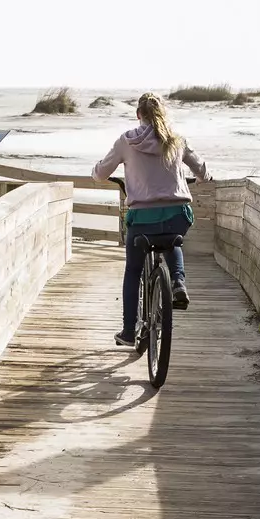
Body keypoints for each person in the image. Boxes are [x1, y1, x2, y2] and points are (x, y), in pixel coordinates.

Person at [93, 93, 208, 347]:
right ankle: (178, 282)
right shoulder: (176, 140)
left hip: (142, 219)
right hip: (177, 216)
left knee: (133, 270)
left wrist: (96, 171)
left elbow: (102, 173)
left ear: (138, 115)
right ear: (162, 114)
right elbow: (200, 169)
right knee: (172, 243)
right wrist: (203, 179)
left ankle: (128, 330)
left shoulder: (127, 141)